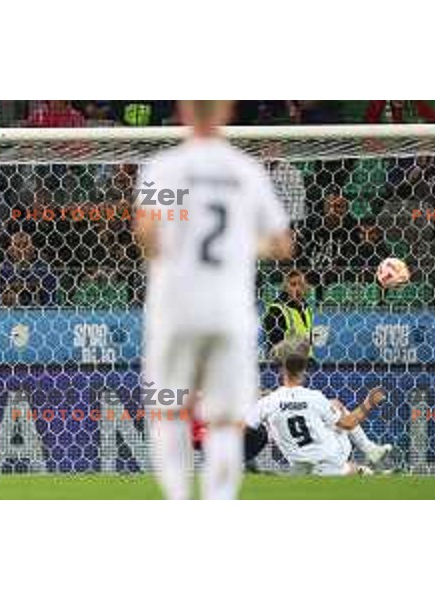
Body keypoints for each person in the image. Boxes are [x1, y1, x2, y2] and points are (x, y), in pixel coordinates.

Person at [135, 100, 293, 500]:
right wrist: (241, 244)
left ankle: (178, 500)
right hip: (228, 312)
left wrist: (175, 248)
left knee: (169, 410)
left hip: (176, 309)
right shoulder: (246, 171)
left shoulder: (166, 167)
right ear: (227, 111)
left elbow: (146, 236)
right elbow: (281, 244)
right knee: (224, 421)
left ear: (183, 111)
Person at [244, 339, 387, 476]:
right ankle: (370, 452)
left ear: (281, 369)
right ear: (304, 369)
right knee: (336, 406)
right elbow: (348, 423)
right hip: (330, 459)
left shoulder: (267, 402)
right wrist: (369, 402)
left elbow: (244, 427)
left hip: (298, 461)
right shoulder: (315, 398)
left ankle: (368, 464)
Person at [263, 269, 313, 359]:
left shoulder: (307, 308)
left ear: (305, 287)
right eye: (293, 284)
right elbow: (274, 346)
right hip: (286, 364)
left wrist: (314, 338)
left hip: (306, 362)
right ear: (285, 287)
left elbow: (306, 335)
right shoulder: (276, 310)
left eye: (301, 285)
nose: (297, 288)